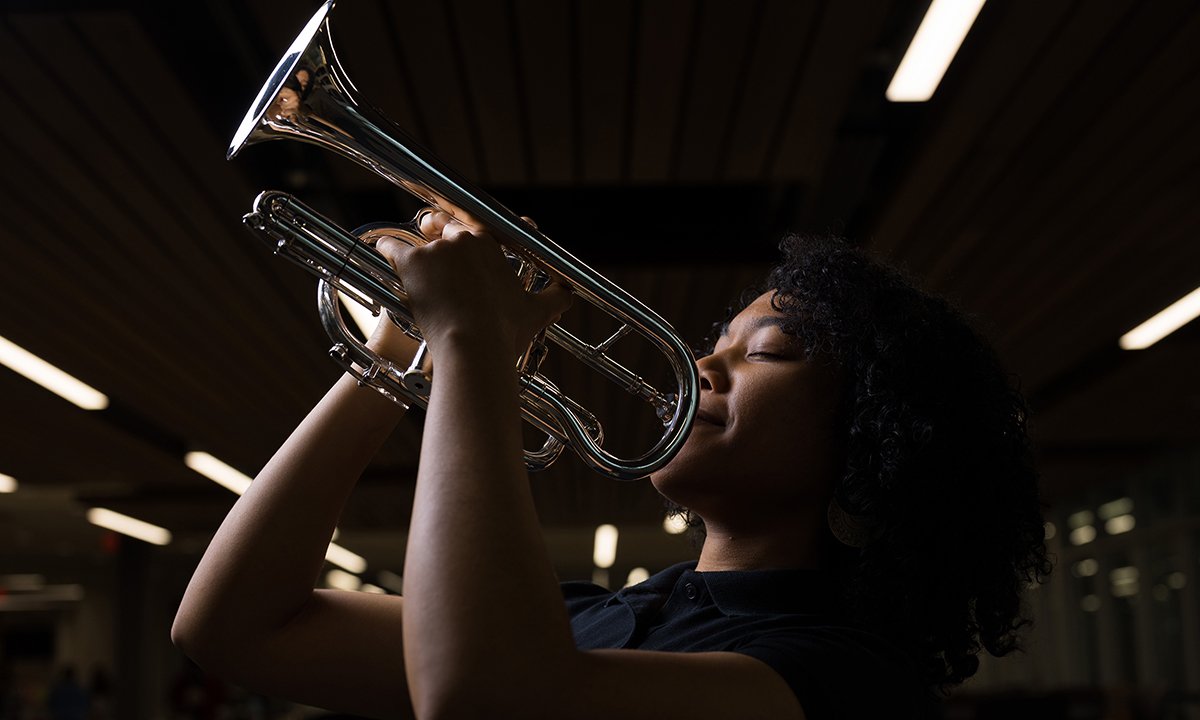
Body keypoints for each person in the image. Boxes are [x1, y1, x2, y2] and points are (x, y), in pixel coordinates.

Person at [172, 212, 1050, 719]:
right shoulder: (594, 619)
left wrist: (472, 343)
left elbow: (485, 699)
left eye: (770, 352)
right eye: (718, 344)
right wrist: (398, 363)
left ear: (874, 438)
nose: (702, 368)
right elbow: (235, 627)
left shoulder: (850, 681)